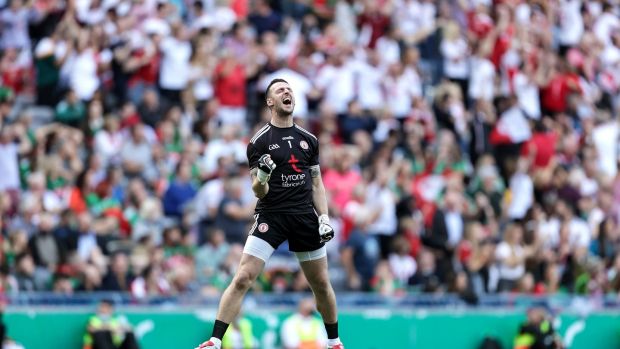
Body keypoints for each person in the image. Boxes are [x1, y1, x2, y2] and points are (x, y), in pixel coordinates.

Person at [195, 79, 344, 349]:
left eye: (289, 89)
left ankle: (334, 342)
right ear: (270, 102)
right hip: (272, 216)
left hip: (303, 217)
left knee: (321, 283)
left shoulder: (309, 140)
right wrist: (263, 176)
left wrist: (323, 217)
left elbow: (317, 183)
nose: (287, 92)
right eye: (280, 90)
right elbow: (258, 191)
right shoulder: (258, 142)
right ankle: (215, 341)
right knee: (242, 277)